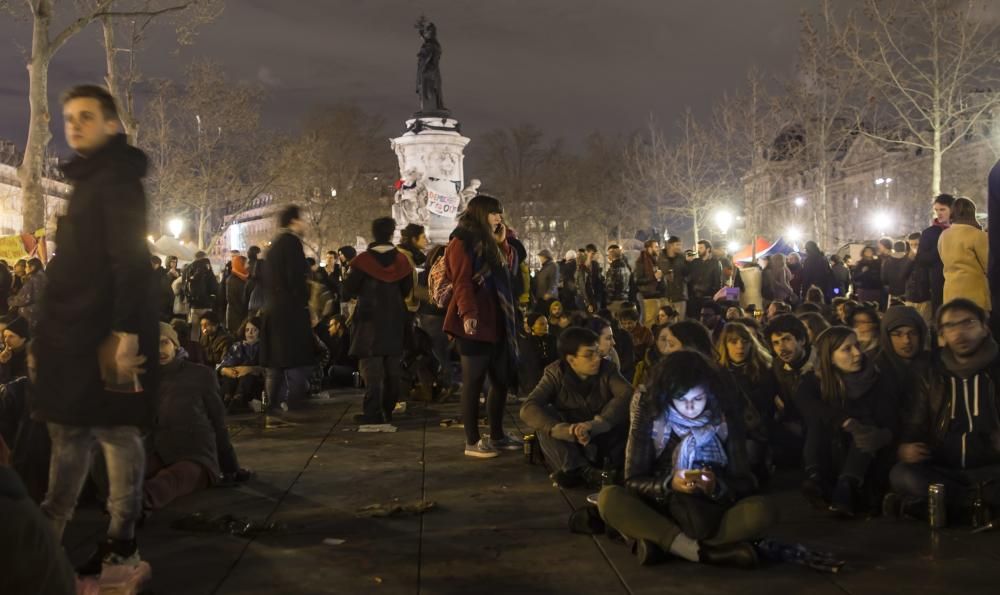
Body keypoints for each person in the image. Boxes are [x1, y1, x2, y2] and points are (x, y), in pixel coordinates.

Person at [33, 84, 159, 579]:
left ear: (111, 124)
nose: (74, 125)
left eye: (86, 116)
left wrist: (124, 333)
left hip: (101, 336)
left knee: (111, 434)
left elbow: (128, 260)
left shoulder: (116, 181)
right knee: (73, 435)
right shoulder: (91, 180)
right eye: (68, 117)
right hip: (73, 336)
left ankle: (116, 542)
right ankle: (51, 546)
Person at [598, 350, 776, 568]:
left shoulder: (723, 415)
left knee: (762, 510)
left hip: (712, 511)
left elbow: (745, 481)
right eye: (681, 399)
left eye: (698, 398)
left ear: (710, 394)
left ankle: (665, 545)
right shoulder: (651, 412)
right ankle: (707, 553)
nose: (690, 407)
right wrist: (669, 483)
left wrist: (716, 486)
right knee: (609, 498)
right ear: (666, 395)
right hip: (662, 507)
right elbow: (633, 479)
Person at [889, 298, 1000, 522]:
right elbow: (916, 420)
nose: (959, 333)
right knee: (902, 474)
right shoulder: (930, 370)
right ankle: (976, 505)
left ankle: (947, 506)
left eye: (968, 323)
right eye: (950, 326)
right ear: (941, 334)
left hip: (992, 467)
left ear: (984, 327)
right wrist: (905, 447)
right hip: (944, 468)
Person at [443, 195, 522, 458]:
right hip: (473, 321)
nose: (499, 217)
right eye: (493, 213)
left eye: (500, 212)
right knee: (473, 381)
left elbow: (509, 272)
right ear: (479, 213)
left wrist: (503, 245)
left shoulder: (495, 240)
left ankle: (497, 435)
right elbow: (461, 281)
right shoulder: (461, 241)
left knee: (500, 380)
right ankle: (472, 440)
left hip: (498, 319)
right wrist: (468, 313)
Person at [796, 326, 900, 516]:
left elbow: (889, 418)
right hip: (832, 450)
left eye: (857, 346)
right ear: (830, 357)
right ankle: (815, 478)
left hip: (868, 455)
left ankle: (848, 486)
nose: (857, 353)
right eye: (846, 349)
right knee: (817, 422)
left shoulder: (877, 378)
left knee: (865, 428)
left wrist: (880, 435)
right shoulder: (816, 381)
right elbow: (806, 403)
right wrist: (843, 420)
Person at [146, 322, 247, 512]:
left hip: (196, 454)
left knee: (168, 481)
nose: (159, 350)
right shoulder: (145, 380)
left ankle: (136, 503)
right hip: (162, 450)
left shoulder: (200, 375)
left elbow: (218, 423)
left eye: (163, 343)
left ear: (174, 344)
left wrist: (230, 467)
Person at [520, 327, 631, 488]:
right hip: (570, 444)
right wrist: (563, 429)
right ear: (571, 359)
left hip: (600, 437)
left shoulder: (608, 369)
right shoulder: (555, 373)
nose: (596, 359)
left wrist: (598, 424)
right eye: (588, 355)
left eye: (596, 352)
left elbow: (627, 394)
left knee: (627, 413)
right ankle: (580, 470)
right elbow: (528, 407)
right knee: (544, 419)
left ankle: (583, 473)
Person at [343, 217, 413, 424]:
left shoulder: (362, 261)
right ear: (392, 233)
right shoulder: (402, 262)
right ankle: (388, 409)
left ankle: (372, 411)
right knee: (392, 368)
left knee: (371, 371)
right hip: (394, 320)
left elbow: (348, 289)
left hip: (368, 322)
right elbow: (406, 290)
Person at [259, 206, 318, 413]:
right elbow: (296, 279)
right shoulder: (291, 243)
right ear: (294, 221)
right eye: (302, 220)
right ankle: (295, 403)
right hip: (290, 312)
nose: (305, 224)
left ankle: (273, 405)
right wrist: (306, 304)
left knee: (276, 363)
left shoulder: (274, 247)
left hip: (274, 310)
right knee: (297, 361)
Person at [717, 322, 778, 484]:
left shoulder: (763, 371)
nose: (740, 347)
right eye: (733, 342)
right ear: (725, 344)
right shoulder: (717, 372)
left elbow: (765, 407)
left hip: (753, 431)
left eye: (745, 341)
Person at [764, 314, 813, 465]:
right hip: (793, 426)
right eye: (776, 343)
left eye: (786, 339)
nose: (781, 348)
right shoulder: (777, 367)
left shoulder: (822, 364)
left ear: (802, 340)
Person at [939, 197, 989, 313]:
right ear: (972, 213)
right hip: (974, 294)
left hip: (950, 293)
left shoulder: (944, 235)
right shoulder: (977, 235)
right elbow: (989, 264)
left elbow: (943, 258)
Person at [875, 305, 929, 401]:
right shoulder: (875, 373)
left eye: (912, 333)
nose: (906, 340)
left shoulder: (933, 368)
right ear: (886, 337)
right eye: (898, 334)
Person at [916, 194, 954, 314]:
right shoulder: (929, 233)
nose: (939, 213)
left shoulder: (962, 230)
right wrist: (941, 247)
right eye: (937, 210)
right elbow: (921, 259)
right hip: (938, 283)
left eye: (942, 209)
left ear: (952, 210)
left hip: (960, 282)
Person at [218, 317, 265, 411]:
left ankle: (238, 399)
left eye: (254, 330)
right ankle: (226, 399)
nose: (250, 333)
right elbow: (224, 364)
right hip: (233, 378)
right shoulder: (238, 346)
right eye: (247, 330)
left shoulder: (263, 347)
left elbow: (267, 368)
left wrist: (250, 369)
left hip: (252, 384)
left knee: (248, 371)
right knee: (229, 375)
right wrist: (226, 370)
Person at [517, 313, 558, 398]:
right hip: (534, 382)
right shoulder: (527, 342)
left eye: (547, 324)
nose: (546, 326)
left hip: (553, 378)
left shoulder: (553, 340)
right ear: (532, 326)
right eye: (542, 324)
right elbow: (531, 365)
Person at [7, 257, 46, 334]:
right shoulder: (44, 276)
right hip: (41, 312)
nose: (26, 269)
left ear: (33, 267)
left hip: (30, 314)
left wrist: (10, 300)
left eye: (27, 267)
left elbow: (24, 298)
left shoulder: (33, 278)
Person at [634, 240, 666, 328]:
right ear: (649, 248)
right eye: (655, 247)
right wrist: (654, 277)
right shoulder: (641, 261)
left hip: (656, 295)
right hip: (647, 296)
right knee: (648, 322)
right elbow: (638, 280)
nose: (658, 249)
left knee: (655, 322)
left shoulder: (654, 260)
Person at [687, 240, 723, 318]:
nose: (699, 250)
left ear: (708, 249)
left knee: (707, 320)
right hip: (694, 299)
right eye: (698, 248)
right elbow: (688, 278)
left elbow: (717, 282)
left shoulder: (715, 263)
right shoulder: (695, 262)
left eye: (701, 248)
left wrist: (714, 297)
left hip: (708, 298)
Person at [903, 232, 932, 326]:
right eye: (911, 244)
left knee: (925, 326)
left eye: (916, 244)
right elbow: (902, 275)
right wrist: (910, 260)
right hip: (911, 297)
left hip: (925, 298)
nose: (914, 247)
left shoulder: (928, 257)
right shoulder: (907, 257)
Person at [659, 237, 688, 321]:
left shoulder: (682, 257)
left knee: (679, 321)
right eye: (677, 245)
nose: (679, 247)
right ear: (670, 245)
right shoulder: (661, 257)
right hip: (666, 295)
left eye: (680, 245)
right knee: (667, 321)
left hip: (680, 295)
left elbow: (688, 273)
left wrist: (684, 280)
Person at [603, 244, 632, 317]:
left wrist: (608, 301)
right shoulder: (626, 268)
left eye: (608, 254)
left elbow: (610, 287)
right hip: (626, 299)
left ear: (611, 254)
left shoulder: (613, 269)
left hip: (615, 302)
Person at [881, 240, 912, 306]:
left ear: (894, 248)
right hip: (906, 291)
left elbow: (884, 277)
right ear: (905, 248)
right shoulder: (909, 260)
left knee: (893, 309)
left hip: (892, 290)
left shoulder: (888, 260)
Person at [225, 254, 249, 335]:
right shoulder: (232, 280)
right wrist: (244, 312)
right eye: (245, 263)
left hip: (241, 315)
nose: (247, 266)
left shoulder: (243, 278)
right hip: (236, 317)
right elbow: (233, 300)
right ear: (240, 264)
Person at [0, 317, 29, 384]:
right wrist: (3, 362)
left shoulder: (29, 356)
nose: (6, 340)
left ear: (23, 338)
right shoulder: (6, 353)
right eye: (5, 336)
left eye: (11, 336)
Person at [534, 249, 559, 313]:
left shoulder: (553, 266)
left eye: (540, 257)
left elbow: (554, 281)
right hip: (542, 297)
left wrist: (549, 293)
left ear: (545, 257)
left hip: (548, 298)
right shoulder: (544, 267)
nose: (540, 259)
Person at [150, 256, 174, 322]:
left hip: (161, 309)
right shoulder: (159, 274)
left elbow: (168, 293)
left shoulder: (160, 275)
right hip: (159, 308)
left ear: (156, 264)